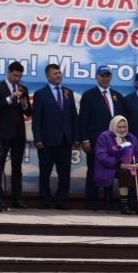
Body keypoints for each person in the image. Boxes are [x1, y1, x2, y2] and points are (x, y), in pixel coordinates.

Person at [31, 63, 78, 210]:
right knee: (45, 173)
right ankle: (44, 200)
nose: (59, 75)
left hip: (65, 140)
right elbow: (36, 119)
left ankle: (61, 200)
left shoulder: (68, 93)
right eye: (55, 73)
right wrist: (38, 139)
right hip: (47, 141)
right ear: (47, 76)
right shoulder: (40, 94)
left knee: (65, 174)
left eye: (59, 73)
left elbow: (74, 118)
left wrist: (76, 138)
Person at [79, 66, 127, 210]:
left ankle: (108, 202)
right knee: (93, 170)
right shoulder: (89, 95)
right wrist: (85, 140)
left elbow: (122, 120)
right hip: (95, 140)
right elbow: (83, 120)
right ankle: (91, 202)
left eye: (108, 75)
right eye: (102, 75)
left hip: (114, 141)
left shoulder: (117, 96)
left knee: (111, 169)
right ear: (97, 77)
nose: (105, 78)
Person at [0, 61, 32, 208]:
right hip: (3, 132)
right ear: (8, 72)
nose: (17, 79)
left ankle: (17, 197)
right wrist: (10, 98)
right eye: (14, 75)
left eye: (19, 76)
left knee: (17, 166)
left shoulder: (23, 88)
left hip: (19, 133)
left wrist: (25, 103)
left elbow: (28, 112)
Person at [94, 116, 138, 215]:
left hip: (129, 166)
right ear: (113, 126)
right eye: (119, 127)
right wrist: (119, 164)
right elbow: (102, 156)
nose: (122, 130)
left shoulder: (131, 137)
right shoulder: (104, 136)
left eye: (124, 127)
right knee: (124, 172)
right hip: (110, 167)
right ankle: (124, 205)